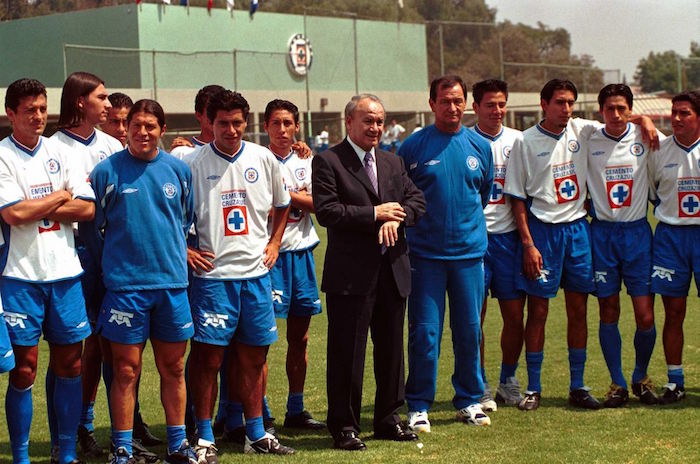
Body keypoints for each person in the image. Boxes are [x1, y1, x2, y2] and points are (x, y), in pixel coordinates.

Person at [503, 79, 658, 412]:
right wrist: (528, 244)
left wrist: (644, 120)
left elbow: (618, 118)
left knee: (579, 309)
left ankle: (578, 385)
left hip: (577, 232)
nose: (566, 108)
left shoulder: (583, 130)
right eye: (559, 102)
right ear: (543, 103)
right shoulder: (525, 141)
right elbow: (516, 198)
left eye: (571, 102)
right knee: (539, 311)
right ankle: (534, 387)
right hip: (542, 232)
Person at [312, 94, 425, 451]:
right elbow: (328, 211)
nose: (375, 127)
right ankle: (344, 425)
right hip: (351, 276)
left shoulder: (393, 162)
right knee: (348, 351)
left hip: (393, 269)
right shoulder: (329, 161)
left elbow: (417, 202)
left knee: (392, 349)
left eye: (379, 121)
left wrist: (397, 217)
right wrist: (375, 214)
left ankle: (389, 418)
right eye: (368, 121)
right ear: (349, 122)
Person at [87, 99, 197, 464]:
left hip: (171, 286)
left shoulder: (179, 172)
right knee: (125, 370)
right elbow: (97, 229)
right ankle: (121, 446)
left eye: (151, 126)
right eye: (136, 125)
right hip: (126, 289)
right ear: (126, 128)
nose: (143, 132)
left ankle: (178, 444)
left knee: (174, 367)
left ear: (162, 130)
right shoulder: (106, 171)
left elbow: (184, 222)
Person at [186, 89, 295, 457]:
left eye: (236, 123)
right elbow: (173, 217)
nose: (230, 130)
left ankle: (256, 434)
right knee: (209, 360)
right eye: (222, 123)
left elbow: (284, 204)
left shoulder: (263, 158)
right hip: (213, 280)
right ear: (209, 123)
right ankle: (203, 437)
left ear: (246, 122)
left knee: (254, 357)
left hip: (255, 277)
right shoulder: (192, 163)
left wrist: (275, 243)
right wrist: (186, 250)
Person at [1, 78, 95, 464]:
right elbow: (12, 213)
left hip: (66, 275)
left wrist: (34, 205)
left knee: (71, 363)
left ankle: (66, 452)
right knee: (24, 369)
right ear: (11, 114)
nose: (38, 116)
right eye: (30, 110)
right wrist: (58, 196)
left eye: (42, 109)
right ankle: (21, 456)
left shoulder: (61, 151)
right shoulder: (3, 156)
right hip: (20, 276)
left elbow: (87, 209)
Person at [398, 75, 493, 432]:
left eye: (458, 101)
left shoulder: (479, 146)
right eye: (444, 101)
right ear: (431, 103)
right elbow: (403, 196)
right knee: (424, 333)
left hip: (468, 255)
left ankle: (469, 398)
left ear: (465, 103)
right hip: (424, 256)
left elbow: (482, 194)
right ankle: (419, 403)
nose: (452, 108)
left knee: (469, 330)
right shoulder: (413, 147)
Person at [50, 72, 124, 461]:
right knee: (72, 347)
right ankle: (75, 429)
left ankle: (119, 432)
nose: (108, 104)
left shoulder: (112, 146)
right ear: (80, 101)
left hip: (110, 253)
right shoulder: (52, 148)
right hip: (71, 254)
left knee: (112, 343)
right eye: (101, 97)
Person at [587, 84, 662, 407]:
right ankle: (617, 383)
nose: (615, 115)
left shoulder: (645, 138)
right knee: (609, 310)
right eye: (609, 109)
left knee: (645, 315)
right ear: (600, 111)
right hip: (602, 235)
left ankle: (640, 377)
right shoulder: (588, 139)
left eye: (622, 108)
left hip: (637, 235)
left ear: (630, 110)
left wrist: (645, 121)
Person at [263, 99, 325, 430]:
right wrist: (291, 195)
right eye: (276, 123)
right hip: (267, 258)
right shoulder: (257, 160)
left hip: (301, 255)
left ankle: (296, 409)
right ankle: (260, 411)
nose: (283, 129)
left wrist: (290, 196)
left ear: (297, 127)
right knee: (259, 339)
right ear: (265, 127)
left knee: (299, 339)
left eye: (288, 123)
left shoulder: (307, 160)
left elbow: (321, 203)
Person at [469, 79, 525, 409]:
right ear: (475, 107)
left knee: (515, 316)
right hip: (475, 242)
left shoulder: (520, 140)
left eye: (502, 103)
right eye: (490, 104)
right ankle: (479, 384)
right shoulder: (464, 140)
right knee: (475, 317)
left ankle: (509, 379)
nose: (497, 110)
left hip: (510, 242)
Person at [648, 90, 700, 404]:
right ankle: (675, 380)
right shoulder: (659, 150)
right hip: (670, 237)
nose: (676, 119)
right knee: (674, 311)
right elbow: (653, 193)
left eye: (685, 113)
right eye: (674, 112)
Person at [170, 85, 225, 160]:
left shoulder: (243, 152)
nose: (218, 116)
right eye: (211, 111)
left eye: (222, 111)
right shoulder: (183, 153)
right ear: (199, 115)